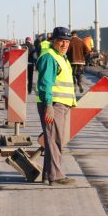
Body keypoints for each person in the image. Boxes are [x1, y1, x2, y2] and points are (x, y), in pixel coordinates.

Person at [36, 26, 77, 186]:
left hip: (61, 104)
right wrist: (48, 105)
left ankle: (48, 174)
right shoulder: (49, 57)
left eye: (67, 41)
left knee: (52, 139)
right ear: (53, 41)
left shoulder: (61, 57)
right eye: (61, 41)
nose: (64, 44)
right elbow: (46, 84)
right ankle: (56, 176)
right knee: (54, 140)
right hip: (53, 104)